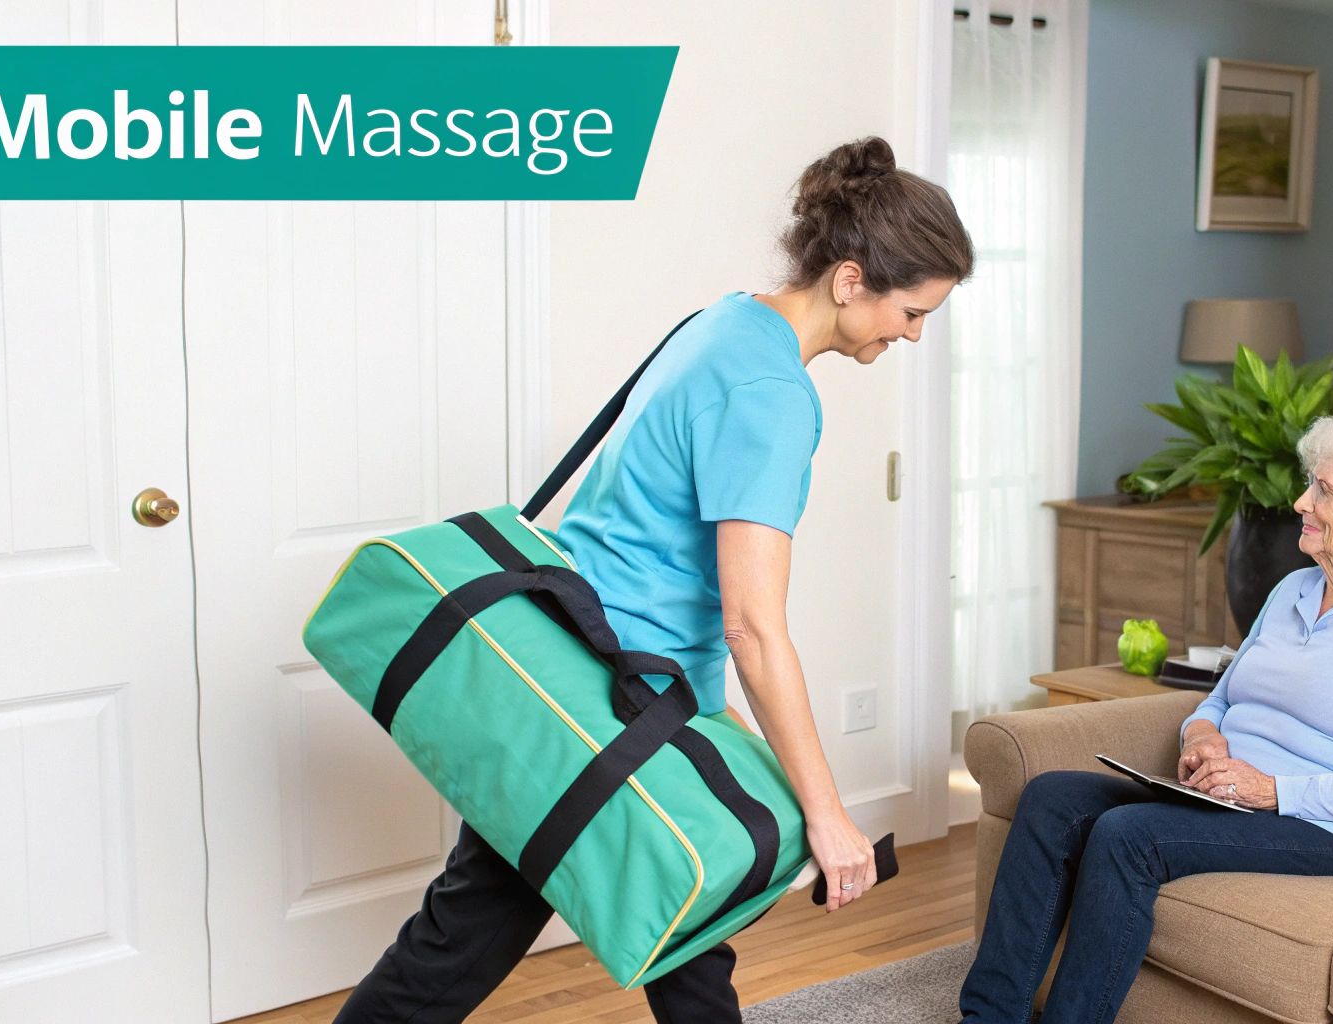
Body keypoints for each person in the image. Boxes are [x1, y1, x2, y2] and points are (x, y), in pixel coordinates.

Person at [334, 135, 973, 1024]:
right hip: (608, 703)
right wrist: (828, 816)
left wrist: (721, 722)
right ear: (851, 279)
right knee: (465, 937)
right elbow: (755, 624)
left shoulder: (726, 320)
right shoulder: (773, 393)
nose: (912, 336)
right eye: (913, 312)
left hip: (585, 660)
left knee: (687, 924)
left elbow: (664, 557)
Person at [959, 417, 1333, 1024]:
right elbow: (1220, 699)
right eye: (1310, 483)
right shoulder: (1293, 591)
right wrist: (1203, 736)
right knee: (1050, 798)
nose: (1300, 501)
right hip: (1228, 796)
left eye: (1323, 491)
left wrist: (1271, 791)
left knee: (1129, 836)